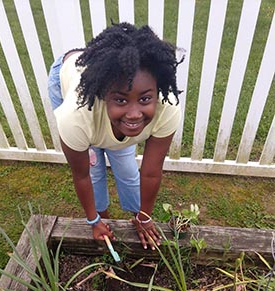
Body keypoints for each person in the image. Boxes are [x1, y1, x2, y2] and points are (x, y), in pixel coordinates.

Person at [48, 22, 182, 250]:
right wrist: (94, 221)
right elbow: (81, 176)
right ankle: (104, 217)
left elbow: (150, 172)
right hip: (67, 74)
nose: (133, 113)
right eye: (121, 100)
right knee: (93, 169)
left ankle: (134, 216)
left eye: (144, 99)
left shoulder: (167, 108)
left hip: (103, 117)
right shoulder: (75, 117)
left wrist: (145, 216)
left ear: (156, 91)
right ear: (103, 95)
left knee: (126, 168)